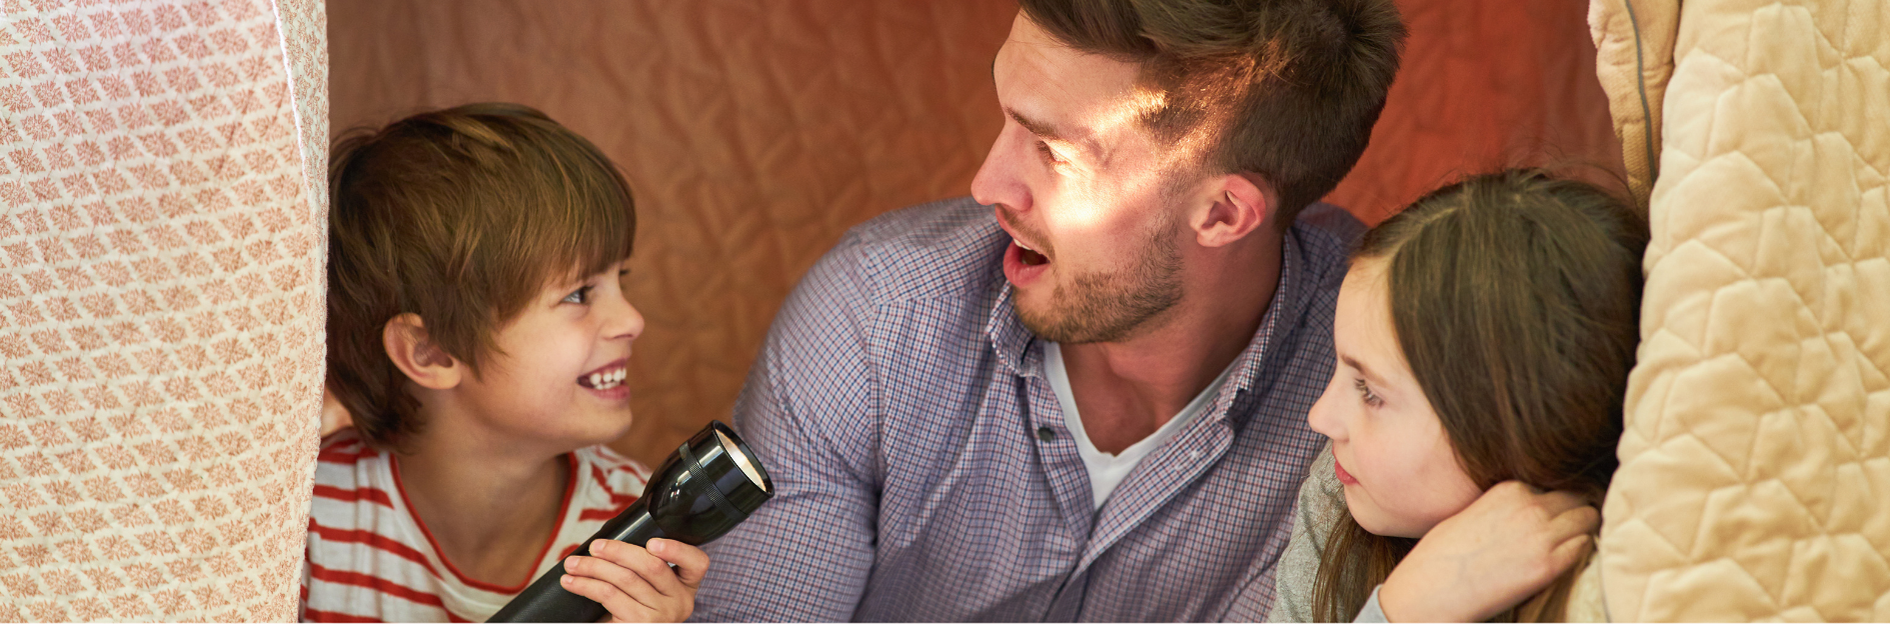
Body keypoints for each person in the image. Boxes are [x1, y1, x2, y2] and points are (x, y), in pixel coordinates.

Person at [693, 0, 1406, 620]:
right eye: (1007, 119)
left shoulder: (1391, 396)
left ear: (1222, 213)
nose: (987, 184)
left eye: (1052, 152)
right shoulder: (878, 315)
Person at [306, 104, 708, 622]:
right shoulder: (306, 522)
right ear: (430, 351)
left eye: (620, 280)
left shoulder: (636, 529)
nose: (632, 319)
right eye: (579, 294)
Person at [1266, 170, 1647, 622]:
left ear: (1516, 429)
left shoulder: (1619, 591)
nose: (1320, 417)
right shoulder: (1345, 493)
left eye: (1369, 392)